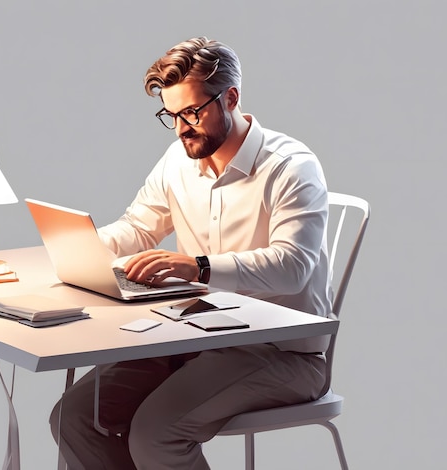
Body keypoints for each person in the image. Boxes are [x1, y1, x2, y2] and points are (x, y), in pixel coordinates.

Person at [50, 36, 332, 470]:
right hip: (193, 335)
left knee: (156, 436)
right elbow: (139, 227)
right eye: (171, 115)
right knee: (75, 417)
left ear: (231, 98)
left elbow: (292, 268)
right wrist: (74, 250)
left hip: (281, 352)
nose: (182, 127)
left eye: (192, 112)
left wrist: (197, 267)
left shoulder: (291, 166)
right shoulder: (178, 160)